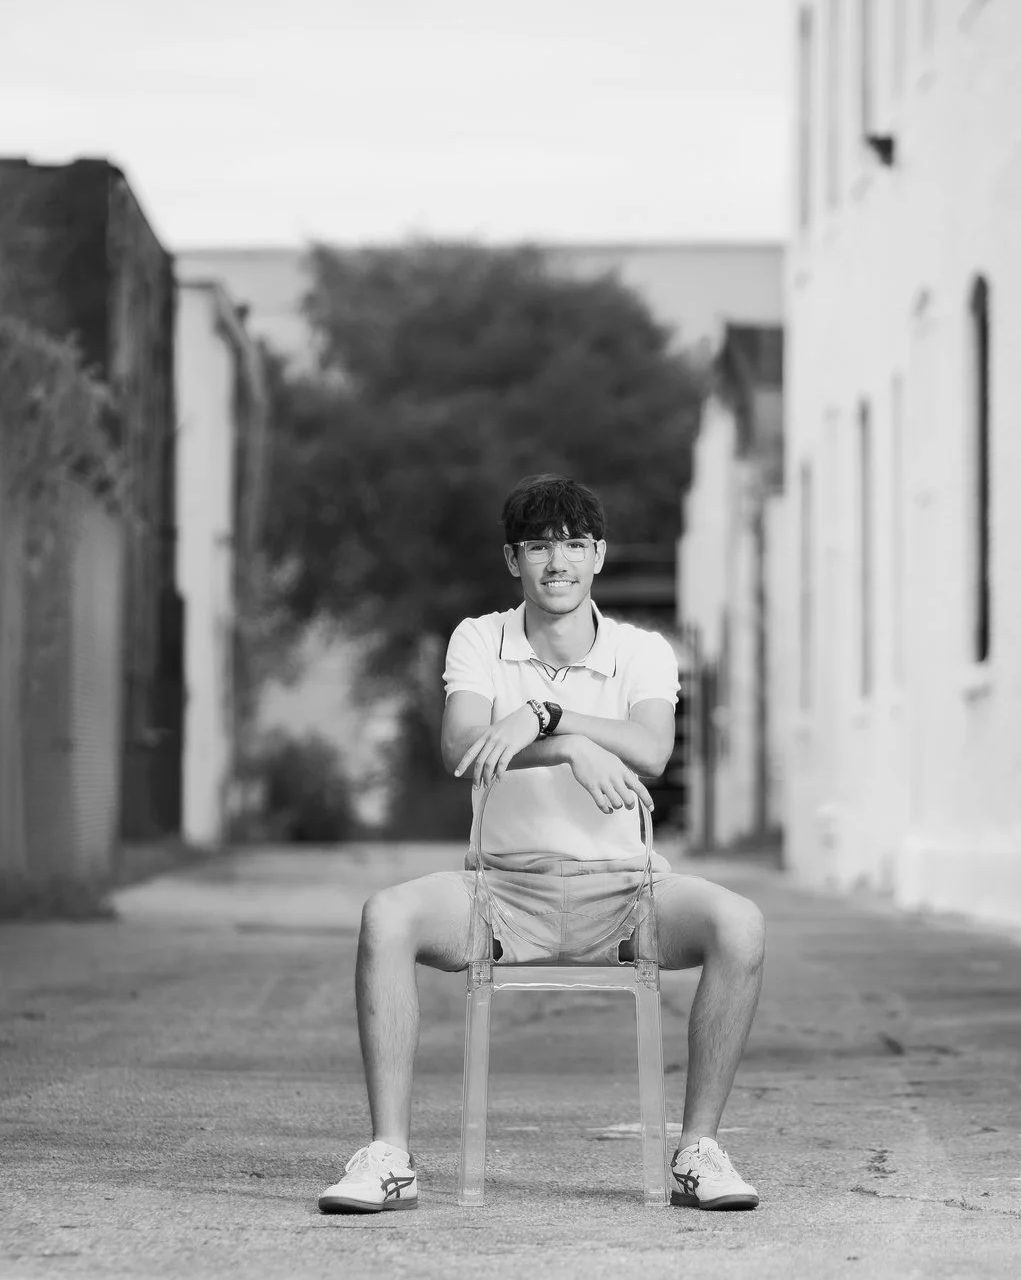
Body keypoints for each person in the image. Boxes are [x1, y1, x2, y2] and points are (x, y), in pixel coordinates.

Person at [318, 475, 766, 1214]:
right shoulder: (480, 637)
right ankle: (388, 1157)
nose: (557, 563)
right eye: (539, 547)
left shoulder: (641, 651)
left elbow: (652, 749)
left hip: (628, 892)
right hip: (500, 893)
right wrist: (567, 748)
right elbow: (465, 742)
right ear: (512, 559)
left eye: (574, 546)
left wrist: (547, 717)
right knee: (384, 915)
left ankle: (698, 1151)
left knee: (741, 923)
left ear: (598, 557)